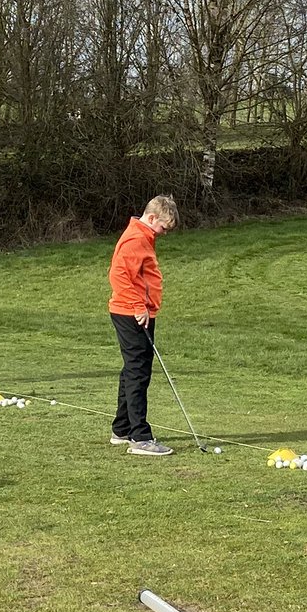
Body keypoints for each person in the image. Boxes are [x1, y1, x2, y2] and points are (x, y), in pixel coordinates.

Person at [107, 194, 180, 456]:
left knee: (133, 369)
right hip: (131, 313)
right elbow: (118, 275)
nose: (164, 233)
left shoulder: (143, 236)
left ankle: (122, 428)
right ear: (151, 218)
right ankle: (140, 437)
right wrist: (139, 307)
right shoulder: (136, 239)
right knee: (138, 372)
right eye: (163, 227)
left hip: (138, 312)